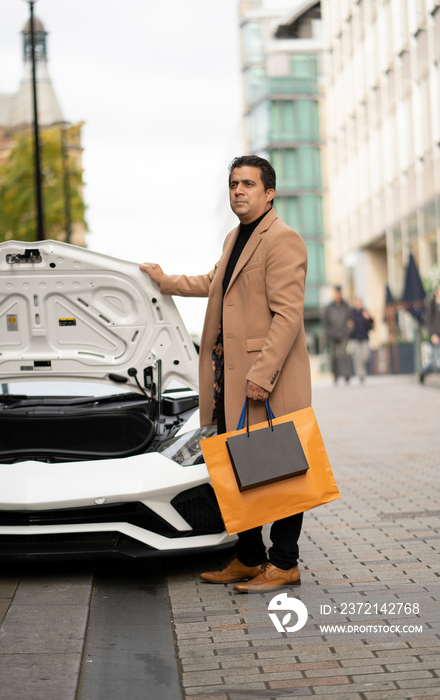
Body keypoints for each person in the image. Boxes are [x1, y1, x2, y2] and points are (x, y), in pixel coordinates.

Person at [140, 155, 311, 593]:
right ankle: (250, 557)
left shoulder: (283, 239)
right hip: (226, 377)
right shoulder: (234, 237)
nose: (238, 190)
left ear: (269, 193)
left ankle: (285, 561)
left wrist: (264, 372)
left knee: (281, 464)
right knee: (235, 465)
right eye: (233, 183)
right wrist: (165, 280)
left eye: (248, 184)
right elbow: (213, 282)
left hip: (264, 377)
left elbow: (288, 314)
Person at [323, 286, 354, 384]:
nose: (338, 295)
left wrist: (347, 331)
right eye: (336, 293)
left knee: (342, 354)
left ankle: (346, 374)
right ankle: (335, 375)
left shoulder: (346, 306)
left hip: (343, 334)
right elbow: (325, 322)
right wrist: (329, 332)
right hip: (332, 335)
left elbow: (351, 321)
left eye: (339, 293)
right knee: (333, 356)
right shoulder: (329, 307)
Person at [419, 284, 440, 383]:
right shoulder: (432, 304)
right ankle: (423, 372)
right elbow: (428, 321)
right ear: (437, 292)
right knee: (434, 363)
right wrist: (432, 334)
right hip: (436, 335)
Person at [350, 298, 374, 383]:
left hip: (364, 338)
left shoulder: (365, 312)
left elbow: (371, 325)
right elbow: (349, 325)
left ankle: (363, 371)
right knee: (357, 358)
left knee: (365, 356)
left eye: (359, 303)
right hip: (355, 338)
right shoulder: (351, 313)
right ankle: (361, 374)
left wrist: (368, 319)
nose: (358, 305)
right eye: (357, 303)